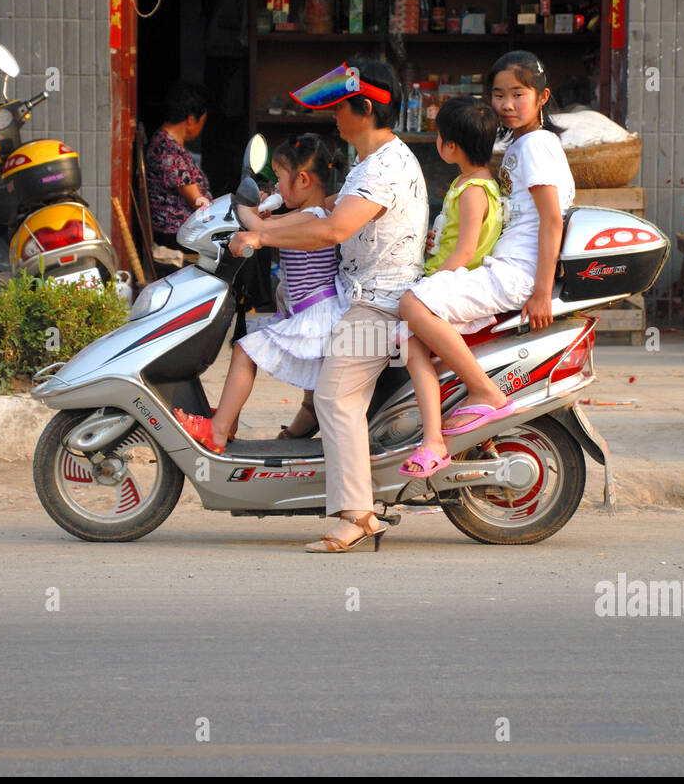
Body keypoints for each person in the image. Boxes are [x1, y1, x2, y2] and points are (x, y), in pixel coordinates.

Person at [231, 59, 428, 553]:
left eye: (339, 109)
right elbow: (323, 217)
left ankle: (358, 516)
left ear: (364, 109)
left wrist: (260, 235)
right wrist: (261, 232)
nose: (333, 119)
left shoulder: (381, 167)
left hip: (377, 304)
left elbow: (332, 230)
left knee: (335, 398)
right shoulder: (370, 161)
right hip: (358, 294)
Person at [396, 51, 574, 470]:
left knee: (411, 304)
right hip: (506, 268)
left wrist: (541, 292)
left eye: (518, 94)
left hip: (517, 274)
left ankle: (485, 394)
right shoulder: (521, 146)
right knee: (413, 338)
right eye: (498, 95)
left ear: (542, 96)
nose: (507, 105)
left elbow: (551, 220)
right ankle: (434, 441)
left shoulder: (535, 146)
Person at [172, 134, 341, 451]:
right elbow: (270, 226)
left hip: (318, 317)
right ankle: (230, 420)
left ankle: (219, 431)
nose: (277, 188)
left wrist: (243, 206)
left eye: (279, 179)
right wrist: (259, 213)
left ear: (302, 180)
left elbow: (263, 231)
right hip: (308, 313)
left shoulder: (312, 217)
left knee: (245, 351)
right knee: (250, 343)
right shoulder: (306, 214)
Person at [396, 97, 503, 478]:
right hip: (448, 278)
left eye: (439, 136)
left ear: (450, 146)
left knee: (409, 329)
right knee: (409, 342)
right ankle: (434, 437)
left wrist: (431, 281)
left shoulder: (475, 190)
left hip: (460, 284)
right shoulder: (465, 183)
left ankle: (441, 431)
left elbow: (466, 250)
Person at [146, 81, 211, 249]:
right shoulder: (168, 150)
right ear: (190, 120)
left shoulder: (166, 142)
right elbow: (196, 201)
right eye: (201, 122)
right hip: (177, 233)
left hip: (184, 229)